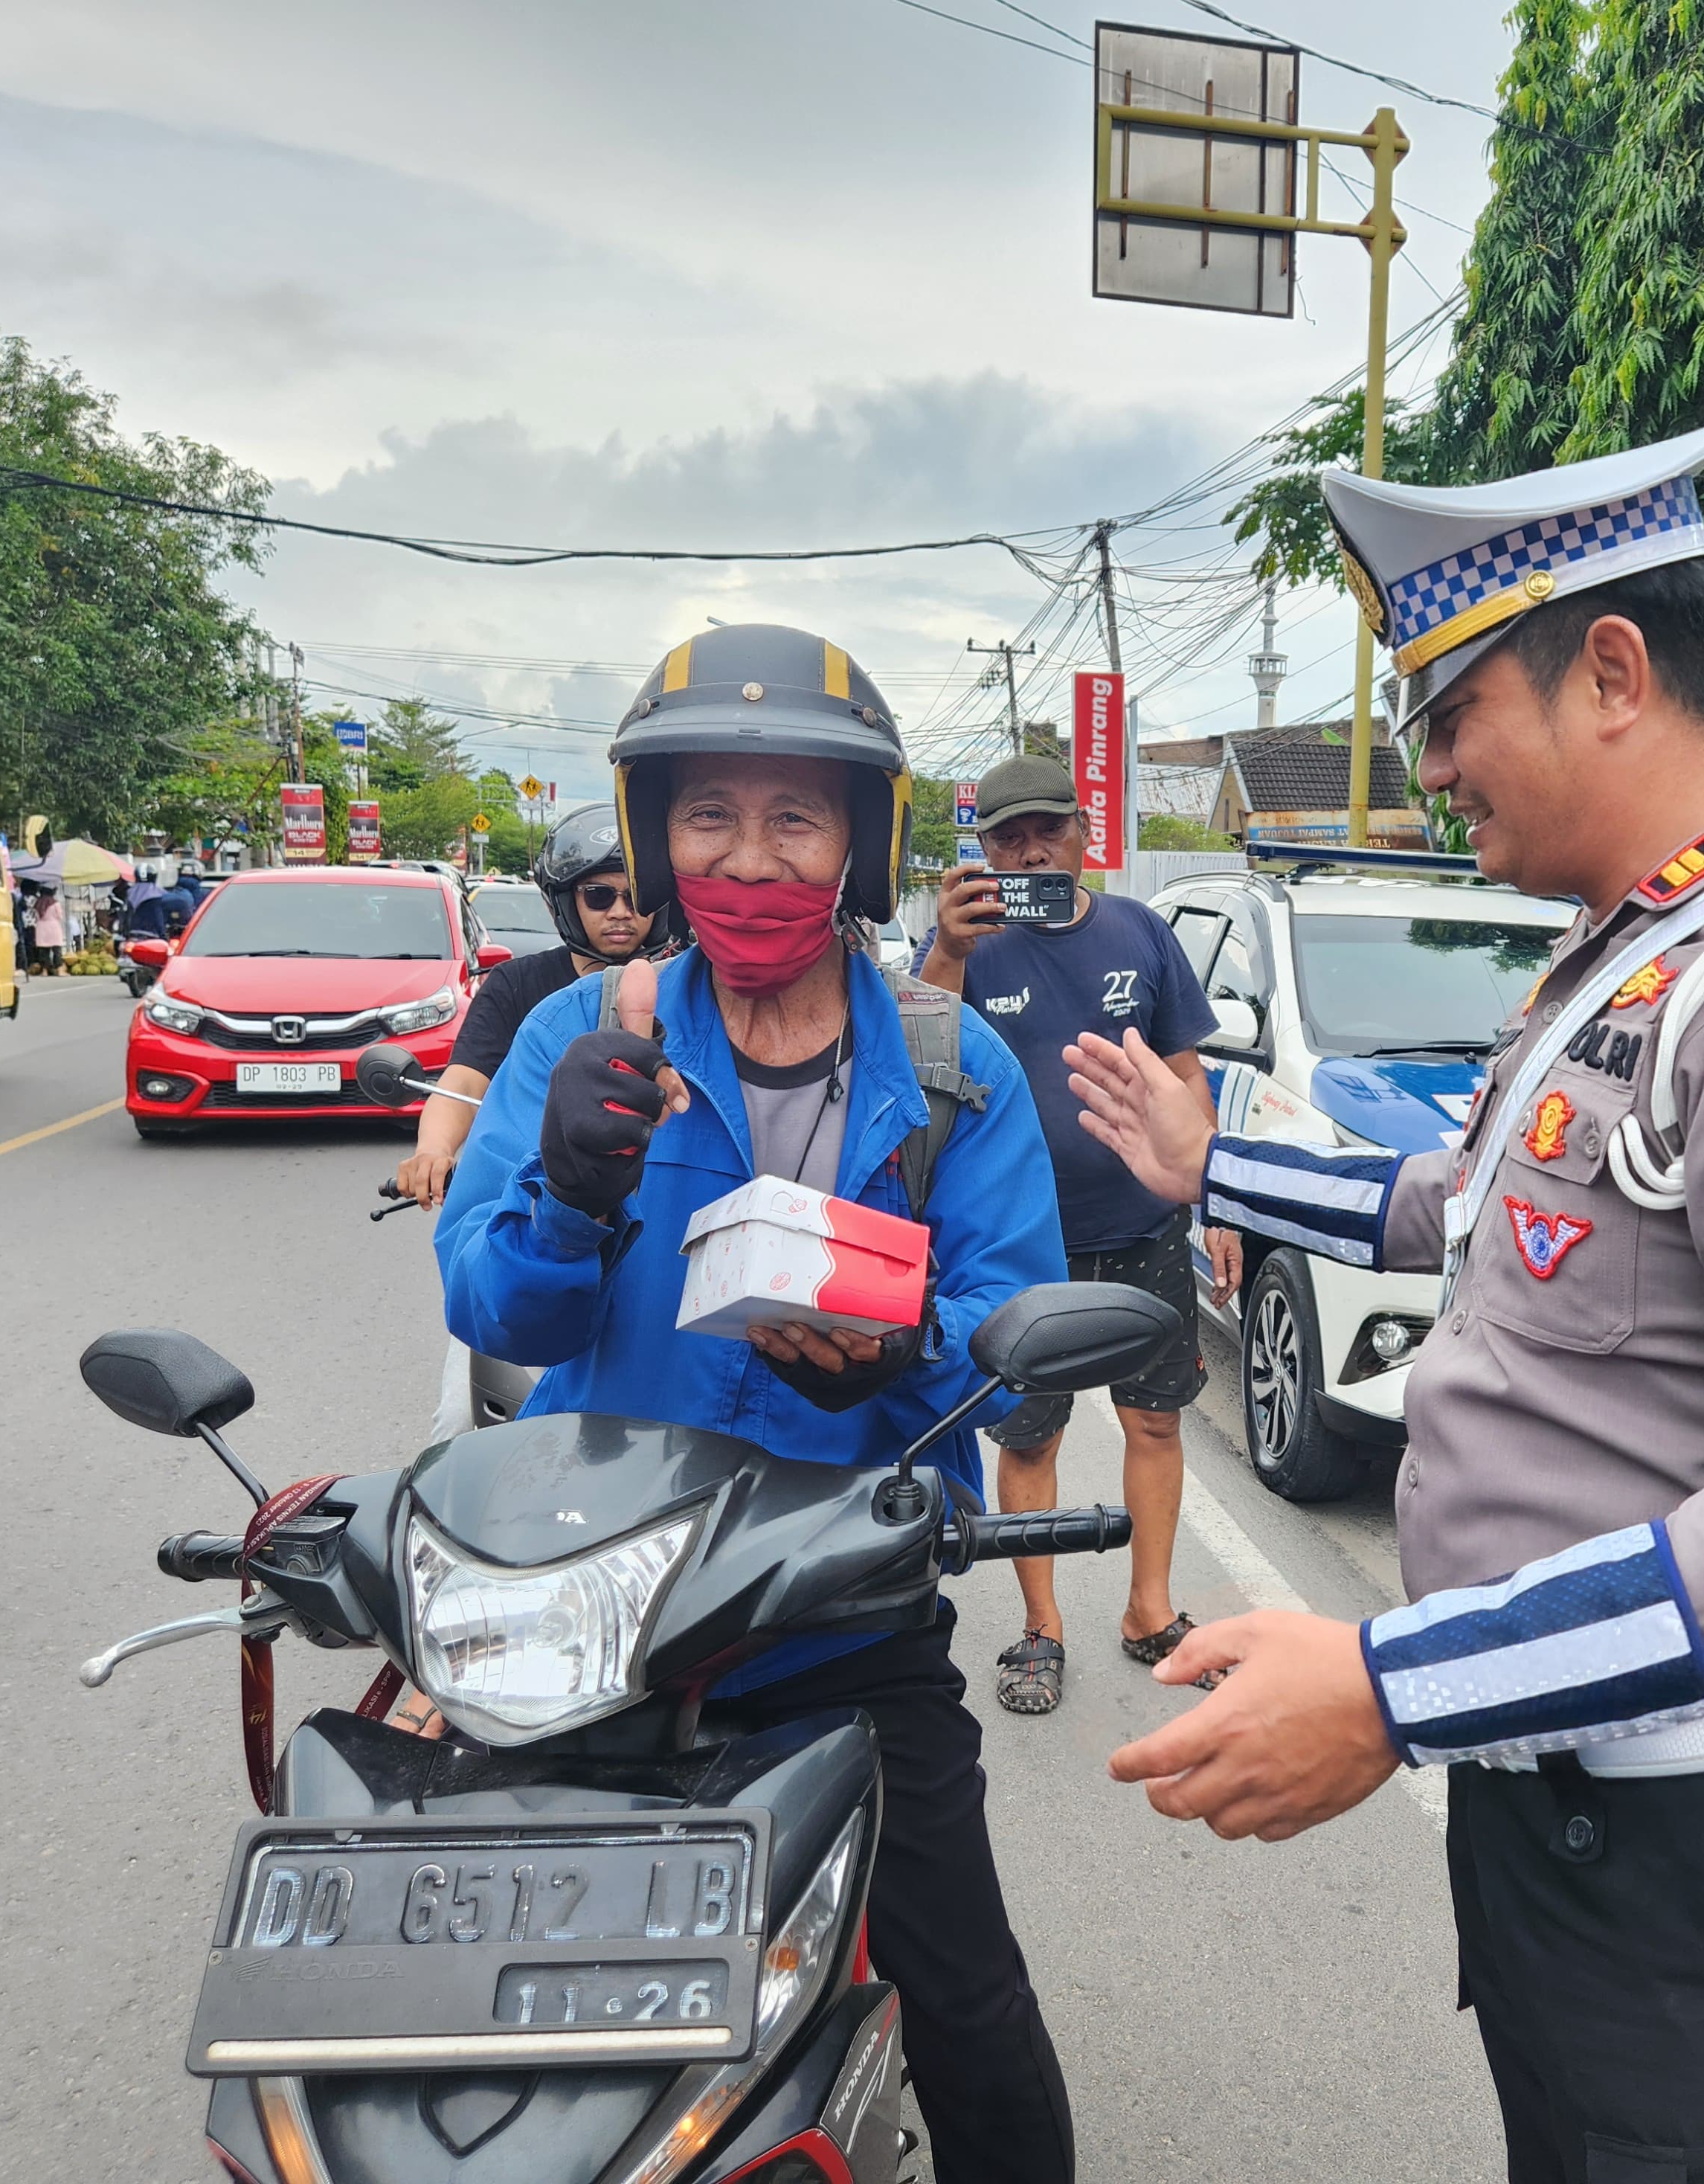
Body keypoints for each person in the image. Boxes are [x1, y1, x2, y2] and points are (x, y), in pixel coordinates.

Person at [1064, 414, 1704, 2184]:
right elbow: (1473, 1208)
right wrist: (1216, 1172)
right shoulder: (1636, 955)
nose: (1430, 767)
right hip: (1597, 1830)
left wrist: (1391, 1686)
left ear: (1612, 672)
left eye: (1449, 713)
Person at [435, 623, 1079, 2184]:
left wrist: (907, 1345)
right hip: (595, 1601)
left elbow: (1018, 1336)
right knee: (495, 2007)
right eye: (709, 814)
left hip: (843, 1618)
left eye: (795, 817)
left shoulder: (954, 1073)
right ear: (655, 835)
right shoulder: (578, 1037)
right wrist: (568, 1191)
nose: (748, 857)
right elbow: (493, 1306)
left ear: (861, 844)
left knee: (970, 2003)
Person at [918, 753, 1236, 1718]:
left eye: (1046, 831)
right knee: (1030, 1436)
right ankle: (1040, 1626)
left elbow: (1186, 1074)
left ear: (1083, 833)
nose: (1029, 853)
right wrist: (947, 950)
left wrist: (1219, 1201)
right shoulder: (969, 948)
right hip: (1022, 1244)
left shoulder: (1141, 932)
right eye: (1007, 839)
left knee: (1156, 1420)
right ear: (984, 851)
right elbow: (917, 1055)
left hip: (1144, 1228)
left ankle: (1150, 1611)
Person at [398, 800, 660, 1445]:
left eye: (635, 896)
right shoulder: (520, 989)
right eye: (599, 896)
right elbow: (464, 1082)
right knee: (461, 1425)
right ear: (564, 903)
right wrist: (434, 1149)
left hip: (648, 1246)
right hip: (535, 1227)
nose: (619, 912)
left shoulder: (687, 994)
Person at [29, 887, 65, 975]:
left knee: (43, 950)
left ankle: (45, 971)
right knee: (57, 950)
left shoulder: (38, 903)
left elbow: (35, 916)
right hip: (54, 927)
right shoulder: (55, 903)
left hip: (41, 928)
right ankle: (60, 970)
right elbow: (60, 916)